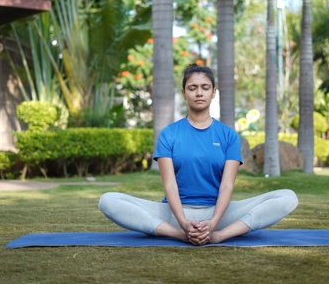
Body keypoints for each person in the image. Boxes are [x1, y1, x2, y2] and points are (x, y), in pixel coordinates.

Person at [99, 63, 298, 246]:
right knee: (108, 200)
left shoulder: (228, 135)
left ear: (213, 93)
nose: (199, 93)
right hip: (174, 214)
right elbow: (170, 185)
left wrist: (214, 225)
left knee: (288, 197)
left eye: (205, 87)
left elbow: (227, 185)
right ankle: (178, 234)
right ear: (184, 93)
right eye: (192, 88)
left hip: (219, 214)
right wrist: (183, 224)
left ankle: (221, 236)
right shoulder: (169, 133)